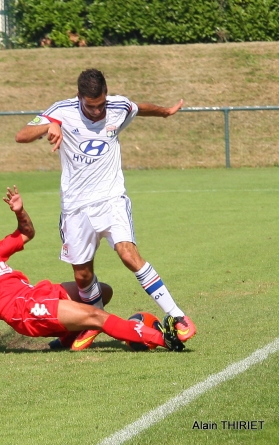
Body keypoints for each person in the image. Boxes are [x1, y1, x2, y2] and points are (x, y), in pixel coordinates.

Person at [15, 68, 196, 350]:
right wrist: (49, 125)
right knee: (82, 275)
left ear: (106, 95)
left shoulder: (117, 107)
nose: (98, 111)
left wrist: (165, 112)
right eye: (91, 106)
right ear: (79, 98)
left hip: (112, 199)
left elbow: (140, 107)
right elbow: (22, 135)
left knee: (128, 253)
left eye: (101, 104)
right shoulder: (61, 110)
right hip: (75, 207)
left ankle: (178, 316)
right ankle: (96, 319)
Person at [0, 185, 185, 357]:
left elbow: (26, 234)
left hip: (37, 293)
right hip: (25, 312)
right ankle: (163, 339)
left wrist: (20, 212)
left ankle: (71, 335)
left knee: (101, 291)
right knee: (97, 314)